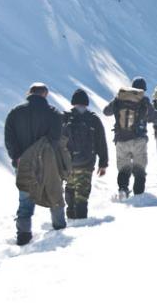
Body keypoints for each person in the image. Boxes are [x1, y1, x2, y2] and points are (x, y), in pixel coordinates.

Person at [4, 82, 65, 245]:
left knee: (25, 198)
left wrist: (16, 157)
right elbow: (56, 139)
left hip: (23, 163)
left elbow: (9, 138)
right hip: (47, 163)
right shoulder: (54, 114)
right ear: (45, 94)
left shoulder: (15, 113)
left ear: (29, 93)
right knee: (54, 193)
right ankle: (59, 228)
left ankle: (23, 235)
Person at [103, 77, 157, 200]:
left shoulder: (120, 98)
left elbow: (106, 111)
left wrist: (116, 102)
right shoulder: (144, 101)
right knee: (139, 167)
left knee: (124, 167)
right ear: (143, 89)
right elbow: (155, 118)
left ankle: (123, 189)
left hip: (121, 139)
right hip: (139, 140)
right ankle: (138, 195)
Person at [62, 89, 108, 219]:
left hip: (69, 163)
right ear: (86, 103)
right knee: (82, 192)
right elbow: (101, 143)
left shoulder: (65, 118)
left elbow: (58, 142)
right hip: (86, 163)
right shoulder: (93, 120)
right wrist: (103, 163)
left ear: (73, 103)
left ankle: (70, 216)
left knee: (70, 188)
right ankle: (81, 220)